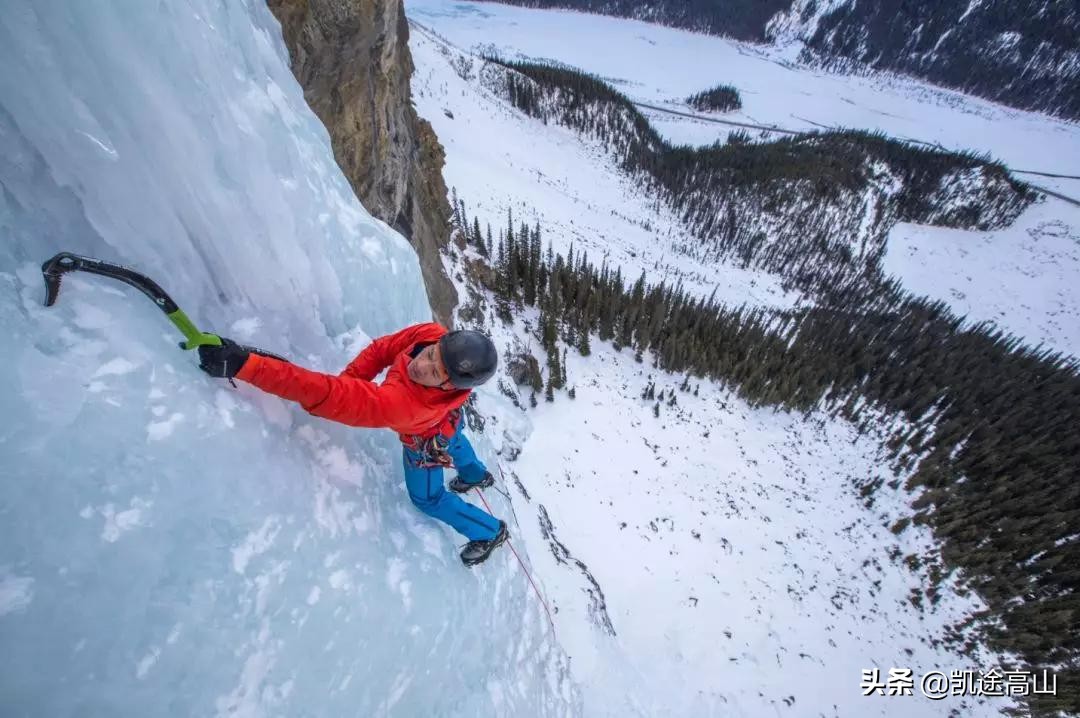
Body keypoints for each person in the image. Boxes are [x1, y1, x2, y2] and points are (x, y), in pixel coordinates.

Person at [196, 322, 508, 567]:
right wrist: (353, 379)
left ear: (449, 384)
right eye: (430, 355)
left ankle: (489, 531)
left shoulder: (401, 405)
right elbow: (384, 349)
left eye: (436, 371)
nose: (422, 365)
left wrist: (247, 367)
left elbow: (325, 395)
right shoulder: (431, 335)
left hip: (424, 439)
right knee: (455, 438)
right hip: (449, 420)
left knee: (429, 499)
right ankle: (474, 475)